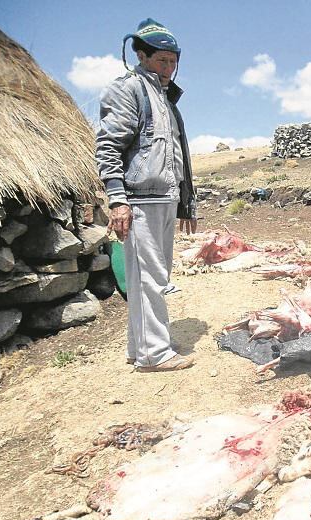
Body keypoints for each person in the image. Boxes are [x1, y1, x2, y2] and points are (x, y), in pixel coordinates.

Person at [96, 18, 198, 372]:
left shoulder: (165, 97)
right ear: (141, 55)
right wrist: (118, 199)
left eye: (173, 61)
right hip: (140, 199)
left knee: (151, 276)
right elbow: (109, 146)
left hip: (164, 198)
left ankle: (140, 348)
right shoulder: (129, 89)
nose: (169, 68)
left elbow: (175, 153)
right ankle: (155, 354)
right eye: (161, 61)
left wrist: (186, 202)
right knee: (150, 277)